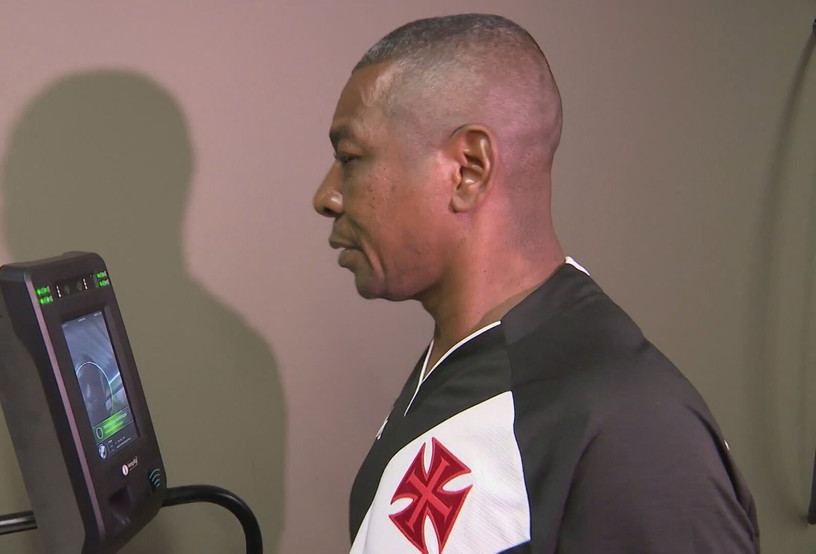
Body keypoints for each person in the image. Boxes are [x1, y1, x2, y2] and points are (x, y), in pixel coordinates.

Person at [312, 13, 760, 554]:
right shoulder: (461, 360)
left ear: (468, 169)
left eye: (349, 158)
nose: (327, 195)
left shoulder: (633, 426)